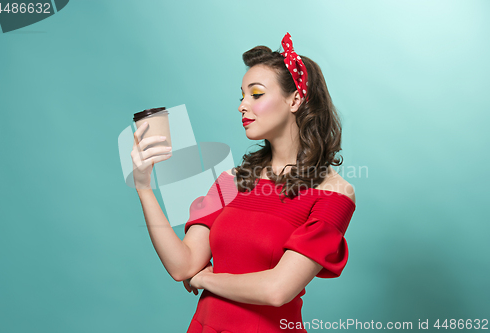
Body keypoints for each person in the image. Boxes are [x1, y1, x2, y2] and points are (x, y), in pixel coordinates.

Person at [131, 32, 356, 333]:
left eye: (257, 94)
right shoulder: (231, 181)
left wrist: (204, 279)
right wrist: (144, 186)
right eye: (241, 95)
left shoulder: (334, 193)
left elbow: (277, 290)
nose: (242, 105)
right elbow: (182, 265)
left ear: (296, 100)